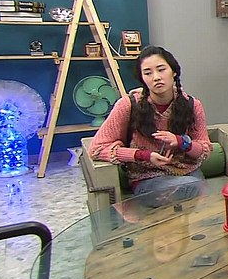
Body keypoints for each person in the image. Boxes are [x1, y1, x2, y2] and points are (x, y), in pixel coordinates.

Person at [89, 45, 212, 203]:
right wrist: (143, 155)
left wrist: (182, 142)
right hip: (147, 178)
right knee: (194, 188)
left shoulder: (192, 105)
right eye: (148, 73)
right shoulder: (128, 105)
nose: (156, 77)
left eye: (161, 70)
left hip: (188, 173)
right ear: (142, 78)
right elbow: (97, 149)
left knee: (198, 189)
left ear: (174, 72)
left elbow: (204, 151)